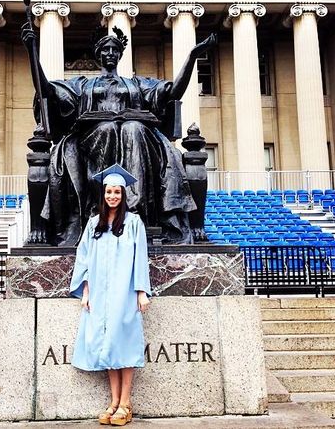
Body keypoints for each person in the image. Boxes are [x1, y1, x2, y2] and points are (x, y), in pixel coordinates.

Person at [22, 23, 216, 246]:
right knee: (107, 128)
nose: (110, 54)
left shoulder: (137, 84)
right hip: (92, 136)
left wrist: (192, 57)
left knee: (133, 128)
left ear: (121, 54)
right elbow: (47, 91)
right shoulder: (82, 85)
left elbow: (172, 93)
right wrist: (32, 52)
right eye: (106, 49)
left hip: (136, 135)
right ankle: (103, 206)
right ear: (98, 54)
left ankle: (134, 208)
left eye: (115, 50)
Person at [69, 164, 151, 426]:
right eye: (109, 192)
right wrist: (86, 292)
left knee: (123, 345)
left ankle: (126, 402)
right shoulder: (95, 224)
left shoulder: (133, 223)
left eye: (117, 192)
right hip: (100, 296)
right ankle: (114, 401)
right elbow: (83, 259)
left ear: (123, 194)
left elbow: (141, 259)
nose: (113, 196)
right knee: (108, 346)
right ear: (103, 194)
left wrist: (141, 292)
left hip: (124, 293)